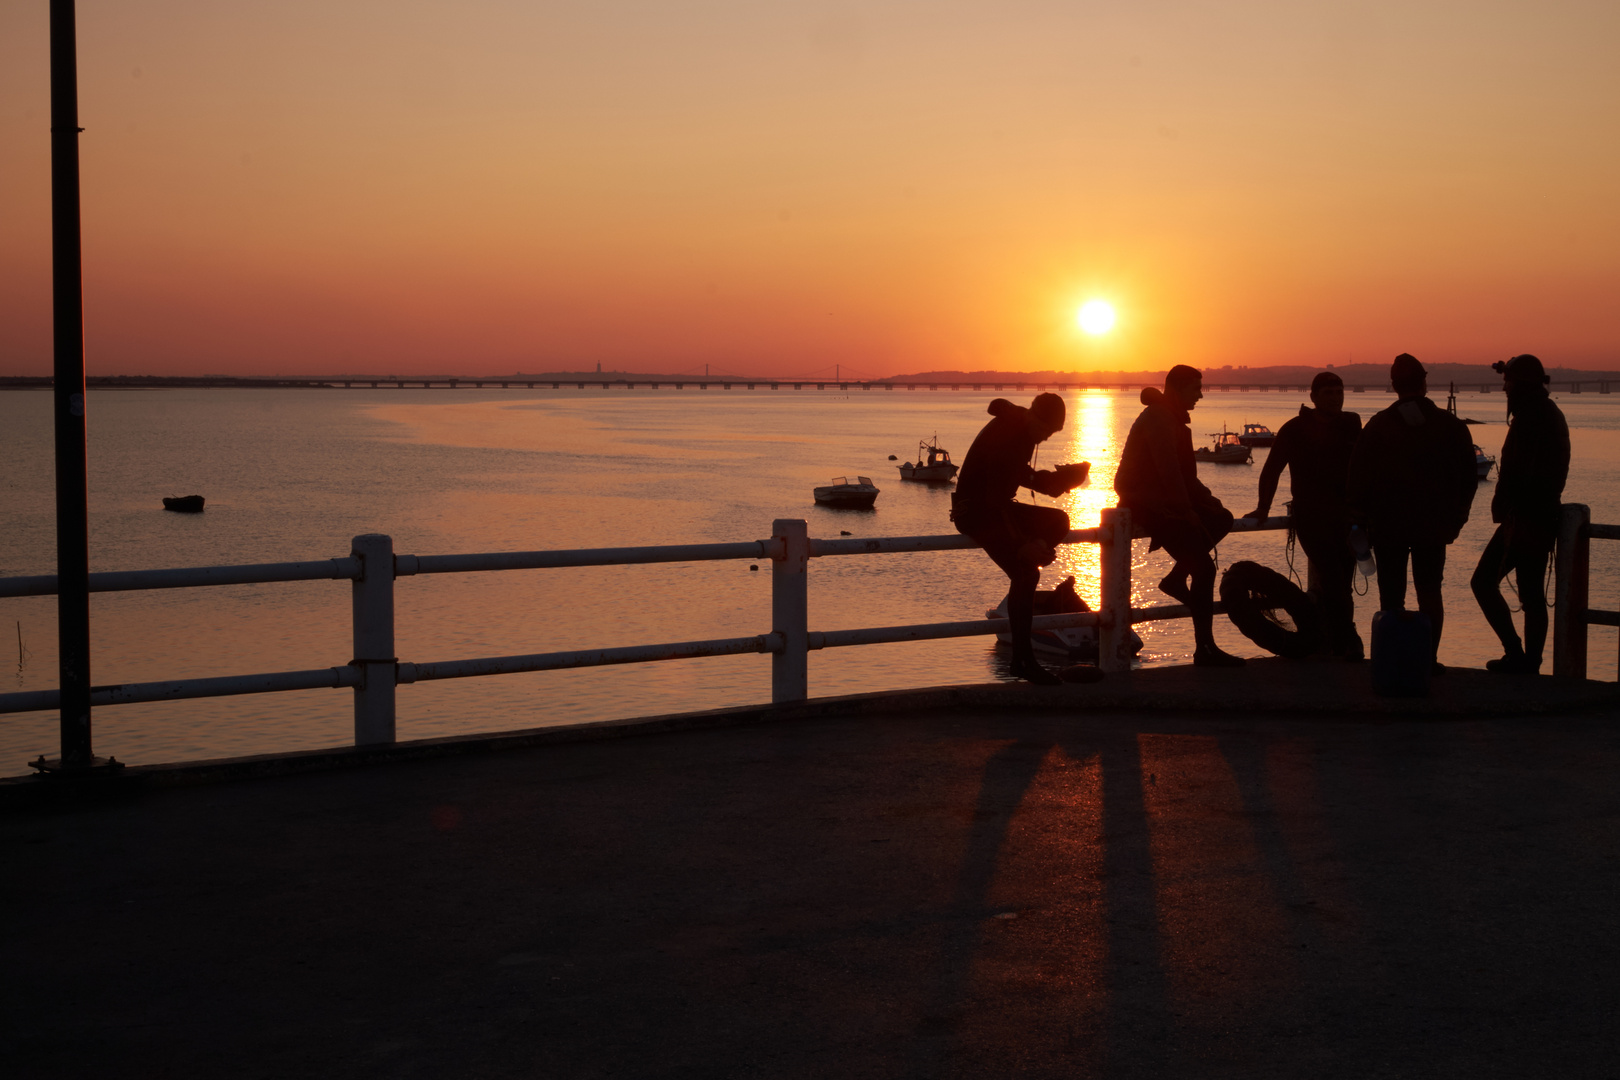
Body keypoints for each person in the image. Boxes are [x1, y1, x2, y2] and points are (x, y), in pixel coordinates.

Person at [1347, 353, 1477, 671]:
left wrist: (1360, 522)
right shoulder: (1450, 426)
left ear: (1394, 385)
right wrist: (1458, 517)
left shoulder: (1378, 426)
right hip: (1434, 526)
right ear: (1424, 383)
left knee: (1392, 594)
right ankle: (1428, 659)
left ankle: (1394, 659)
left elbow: (1357, 478)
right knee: (1430, 590)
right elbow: (1469, 477)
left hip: (1388, 526)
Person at [952, 393, 1089, 684]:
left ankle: (1022, 660)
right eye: (1047, 430)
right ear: (1033, 416)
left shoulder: (1022, 430)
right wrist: (1020, 544)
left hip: (995, 508)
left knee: (1059, 521)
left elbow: (1015, 474)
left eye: (1053, 433)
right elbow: (996, 498)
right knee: (1026, 575)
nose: (1047, 437)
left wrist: (1052, 483)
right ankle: (1023, 660)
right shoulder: (1011, 433)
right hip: (978, 513)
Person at [1114, 364, 1245, 667]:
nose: (1200, 395)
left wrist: (1207, 500)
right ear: (1175, 390)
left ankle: (1175, 579)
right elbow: (1168, 471)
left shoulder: (1171, 418)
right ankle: (1206, 649)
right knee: (1205, 570)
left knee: (1222, 517)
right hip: (1145, 502)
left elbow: (1185, 476)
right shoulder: (1159, 419)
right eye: (1195, 388)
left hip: (1165, 497)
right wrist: (1186, 511)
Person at [1244, 372, 1365, 659]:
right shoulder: (1295, 429)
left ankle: (1338, 640)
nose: (1336, 398)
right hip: (1311, 517)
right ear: (1313, 397)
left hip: (1347, 519)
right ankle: (1343, 641)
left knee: (1343, 582)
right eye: (1329, 393)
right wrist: (1263, 507)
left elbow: (1365, 468)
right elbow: (1272, 469)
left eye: (1339, 392)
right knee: (1334, 581)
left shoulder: (1351, 424)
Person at [1470, 354, 1570, 674]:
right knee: (1531, 594)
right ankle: (1530, 662)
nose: (1504, 389)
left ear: (1518, 385)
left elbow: (1524, 473)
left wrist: (1512, 511)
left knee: (1484, 582)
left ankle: (1518, 655)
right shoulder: (1544, 413)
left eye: (1508, 383)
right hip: (1539, 515)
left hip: (1526, 517)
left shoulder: (1533, 417)